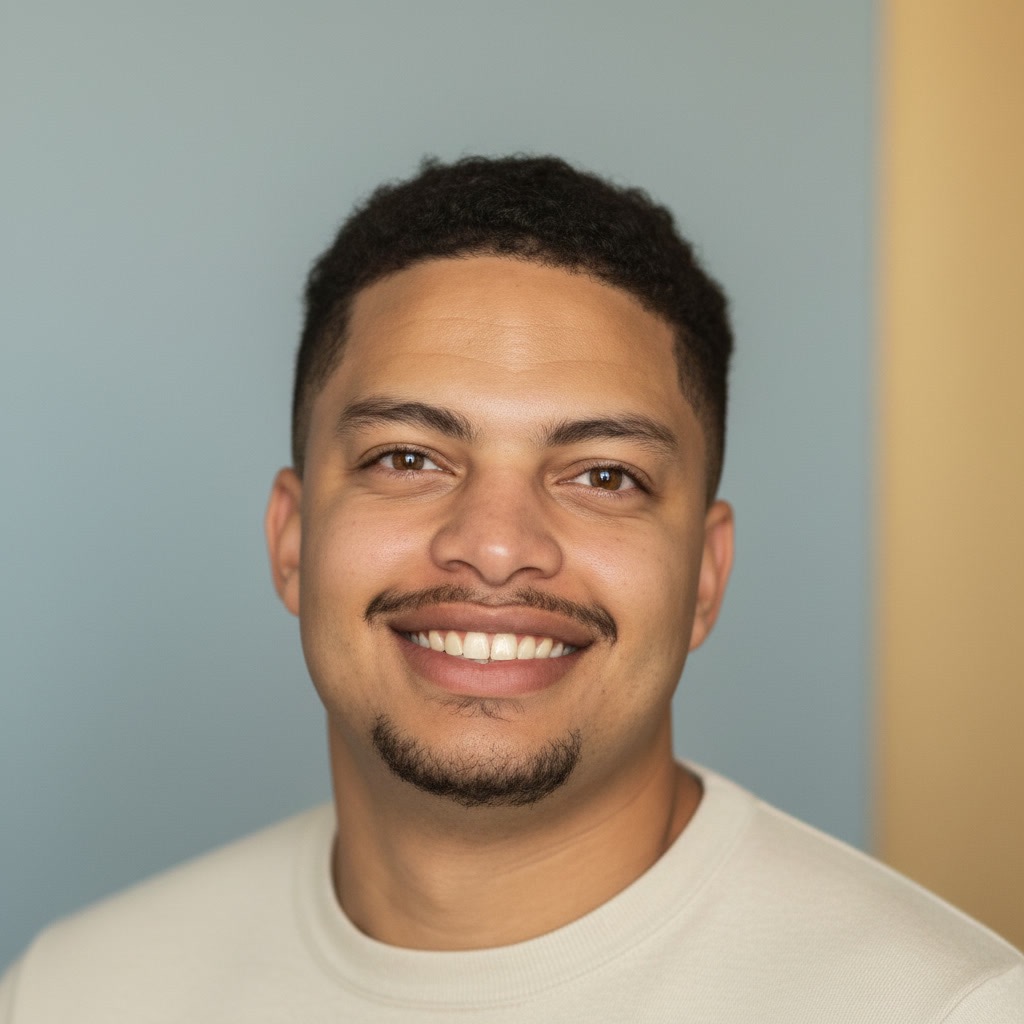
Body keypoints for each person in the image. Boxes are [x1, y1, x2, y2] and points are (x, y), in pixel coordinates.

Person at [2, 155, 1021, 1023]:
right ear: (293, 540)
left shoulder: (943, 1009)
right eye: (408, 458)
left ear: (706, 577)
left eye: (604, 475)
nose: (494, 548)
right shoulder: (75, 993)